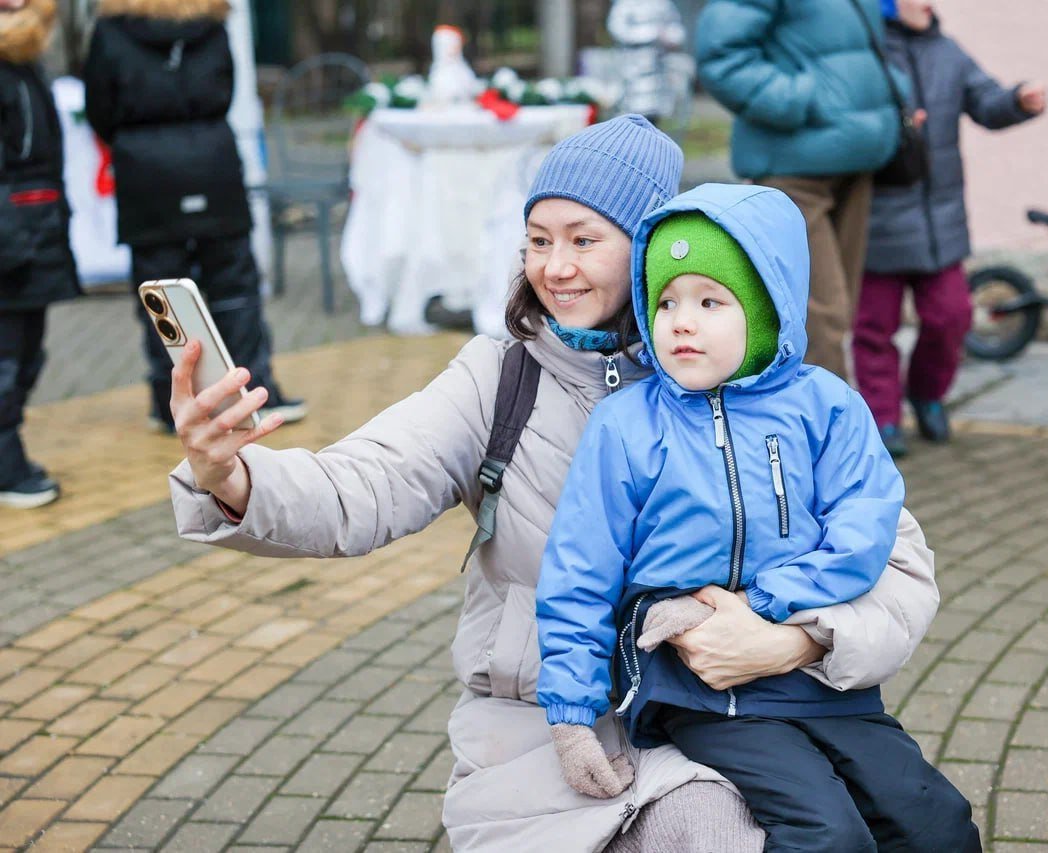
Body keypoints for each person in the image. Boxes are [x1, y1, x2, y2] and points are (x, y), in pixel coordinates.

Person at [166, 115, 942, 852]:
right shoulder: (497, 378)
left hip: (719, 712)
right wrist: (230, 474)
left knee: (768, 828)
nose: (554, 266)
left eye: (583, 239)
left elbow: (897, 565)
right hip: (534, 729)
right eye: (538, 239)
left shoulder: (757, 384)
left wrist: (789, 638)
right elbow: (361, 485)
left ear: (647, 248)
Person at [537, 183, 978, 851]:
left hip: (820, 677)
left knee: (934, 820)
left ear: (768, 308)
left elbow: (865, 526)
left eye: (711, 301)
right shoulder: (626, 425)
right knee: (826, 832)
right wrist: (572, 714)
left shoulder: (825, 406)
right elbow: (579, 570)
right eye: (666, 301)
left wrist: (769, 603)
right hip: (705, 690)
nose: (681, 321)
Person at [83, 0, 304, 433]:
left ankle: (172, 403)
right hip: (211, 160)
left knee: (159, 293)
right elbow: (225, 89)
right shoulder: (212, 25)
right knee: (234, 282)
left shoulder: (110, 31)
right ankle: (254, 389)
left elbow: (100, 109)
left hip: (144, 170)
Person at [856, 0, 1046, 456]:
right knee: (873, 329)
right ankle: (882, 416)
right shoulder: (868, 51)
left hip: (940, 224)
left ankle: (927, 394)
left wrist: (1017, 100)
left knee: (951, 317)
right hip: (878, 220)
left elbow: (987, 101)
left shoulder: (948, 52)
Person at [695, 0, 907, 382]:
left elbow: (863, 47)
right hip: (793, 169)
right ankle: (824, 434)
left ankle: (831, 422)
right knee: (818, 313)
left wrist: (890, 95)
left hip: (854, 163)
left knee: (838, 313)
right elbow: (721, 56)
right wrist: (800, 98)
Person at [0, 0, 79, 509]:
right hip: (13, 232)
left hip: (37, 227)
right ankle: (5, 463)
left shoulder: (25, 58)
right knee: (6, 358)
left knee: (28, 353)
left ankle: (8, 452)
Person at [606, 0, 686, 123]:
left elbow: (676, 29)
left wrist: (671, 37)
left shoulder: (663, 3)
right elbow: (617, 29)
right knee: (630, 114)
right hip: (632, 67)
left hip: (659, 70)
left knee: (653, 115)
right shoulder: (625, 4)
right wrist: (652, 34)